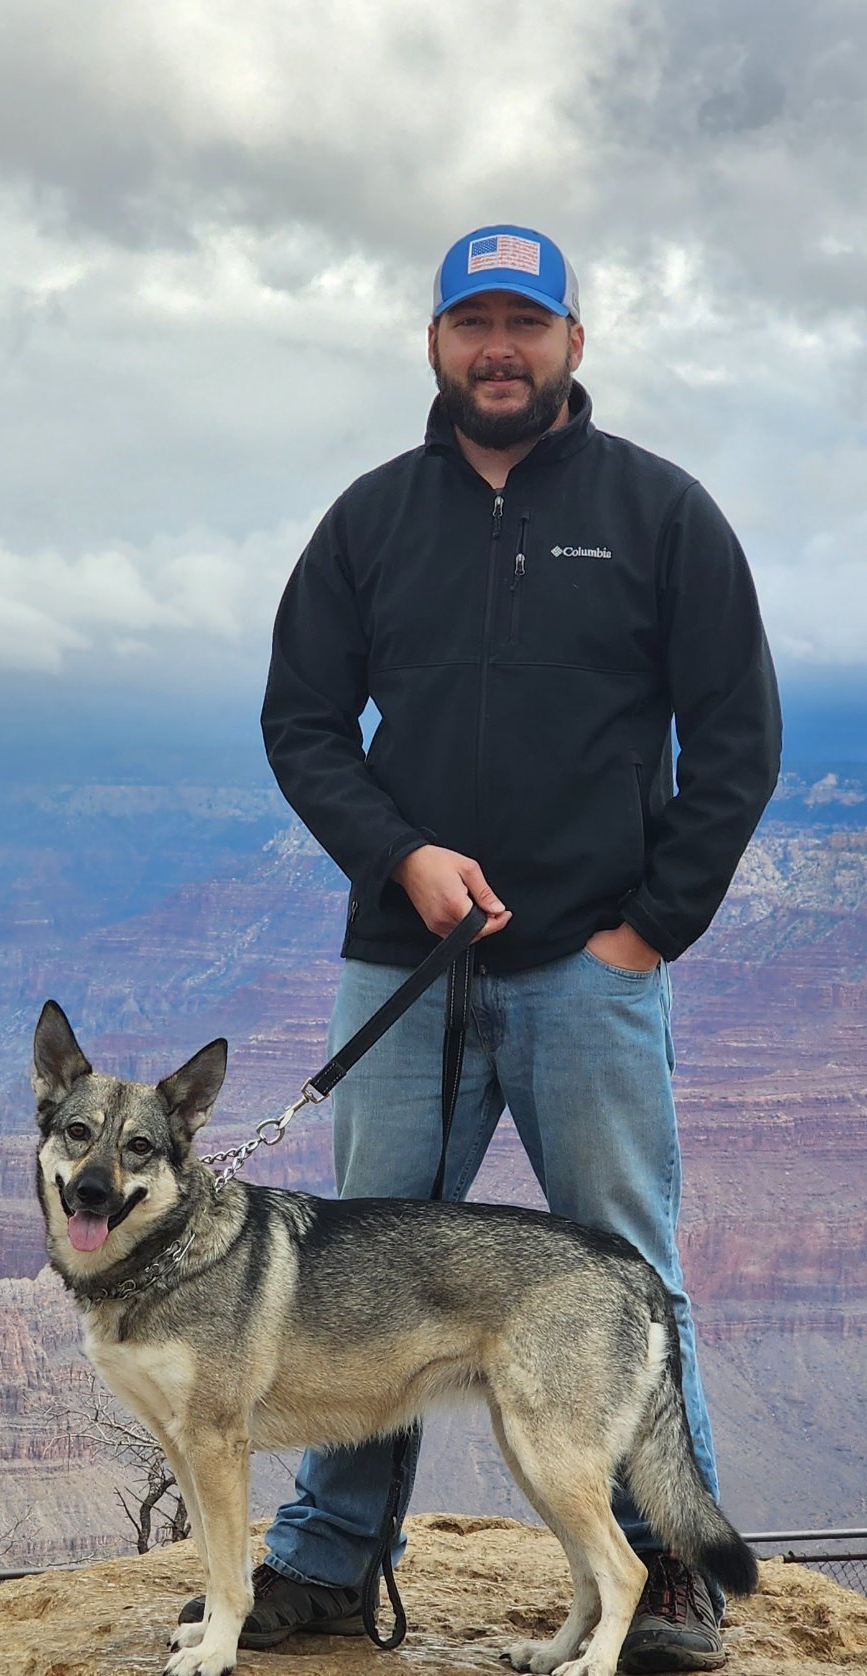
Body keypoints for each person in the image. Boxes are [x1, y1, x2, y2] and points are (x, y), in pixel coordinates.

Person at [217, 225, 781, 1671]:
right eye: (473, 322)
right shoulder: (370, 522)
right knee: (353, 1276)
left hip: (591, 976)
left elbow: (737, 737)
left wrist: (652, 929)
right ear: (434, 345)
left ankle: (673, 1580)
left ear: (575, 345)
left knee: (627, 1271)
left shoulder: (662, 514)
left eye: (527, 323)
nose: (500, 348)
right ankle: (331, 1567)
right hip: (405, 964)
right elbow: (301, 725)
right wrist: (400, 857)